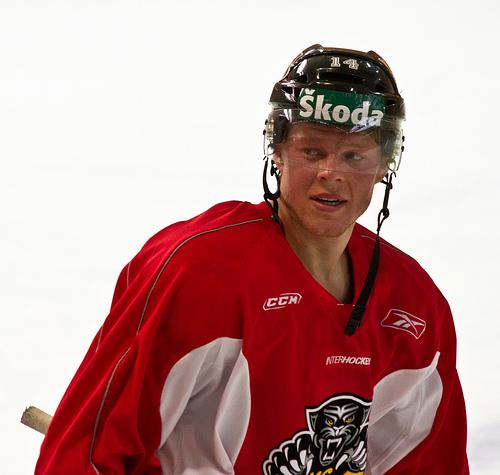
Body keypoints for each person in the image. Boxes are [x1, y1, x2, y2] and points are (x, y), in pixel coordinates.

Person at [35, 44, 469, 475]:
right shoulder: (199, 273)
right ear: (277, 151)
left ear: (384, 166)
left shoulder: (416, 306)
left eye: (354, 156)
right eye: (312, 151)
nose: (331, 172)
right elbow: (84, 452)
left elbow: (430, 463)